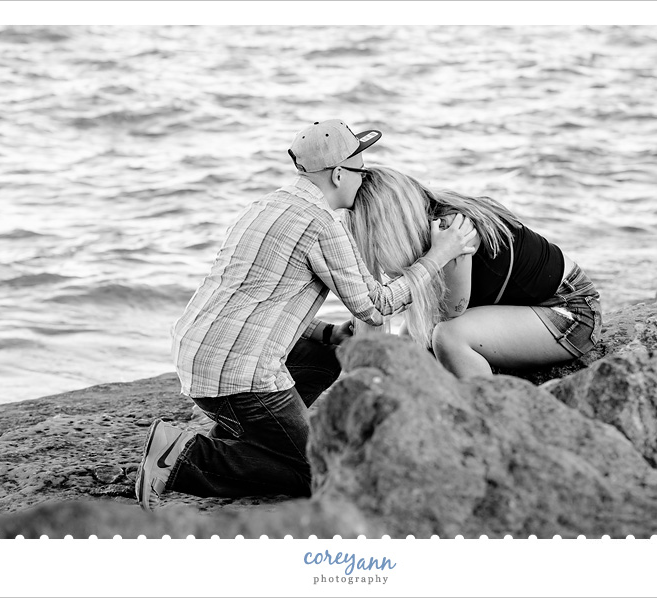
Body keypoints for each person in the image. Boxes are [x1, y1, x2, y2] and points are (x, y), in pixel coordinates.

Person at [135, 120, 478, 509]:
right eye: (360, 174)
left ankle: (246, 438)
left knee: (332, 354)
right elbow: (376, 304)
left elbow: (252, 302)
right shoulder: (321, 224)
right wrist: (441, 254)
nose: (364, 183)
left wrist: (329, 334)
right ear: (337, 174)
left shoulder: (264, 206)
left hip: (198, 355)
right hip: (239, 379)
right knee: (321, 476)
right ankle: (183, 457)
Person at [344, 166, 602, 379]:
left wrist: (441, 254)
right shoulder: (430, 219)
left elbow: (450, 312)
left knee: (447, 337)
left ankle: (484, 417)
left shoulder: (453, 230)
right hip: (535, 306)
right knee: (407, 347)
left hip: (569, 312)